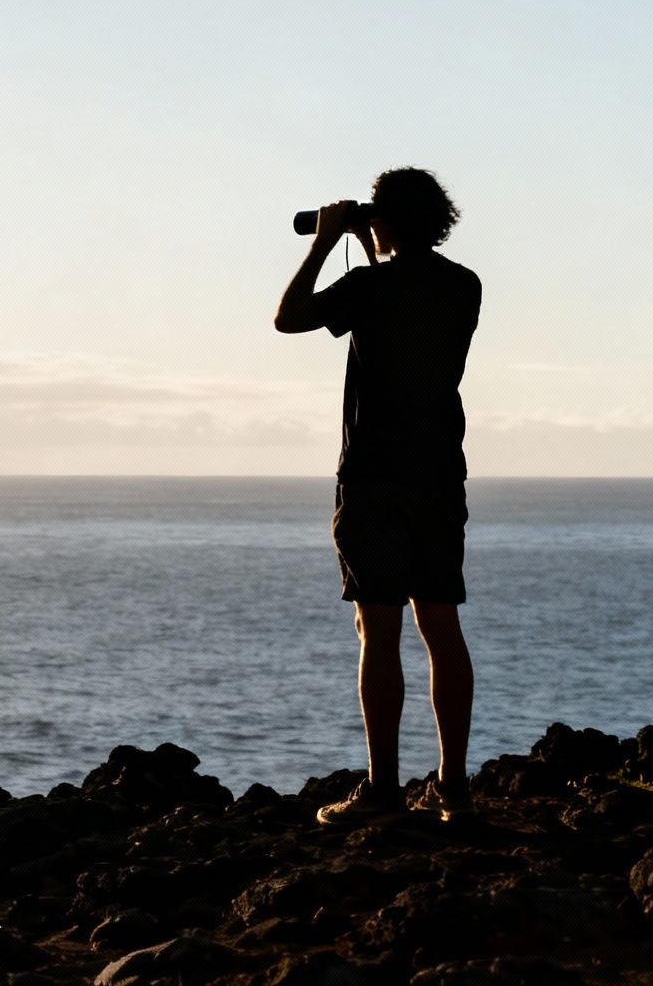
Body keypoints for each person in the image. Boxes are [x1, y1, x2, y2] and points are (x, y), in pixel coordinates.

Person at [273, 166, 481, 824]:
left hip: (373, 479)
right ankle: (454, 788)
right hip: (439, 477)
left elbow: (289, 317)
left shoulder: (370, 286)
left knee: (378, 630)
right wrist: (375, 243)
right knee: (441, 627)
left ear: (385, 219)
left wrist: (322, 241)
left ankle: (384, 793)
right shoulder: (463, 286)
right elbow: (403, 299)